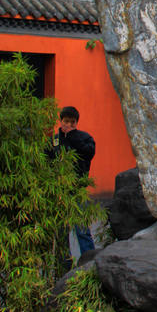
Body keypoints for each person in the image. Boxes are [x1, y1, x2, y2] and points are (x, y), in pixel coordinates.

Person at [54, 106, 96, 255]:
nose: (69, 125)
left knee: (82, 228)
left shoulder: (84, 138)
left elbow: (89, 152)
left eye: (72, 122)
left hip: (77, 188)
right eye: (66, 122)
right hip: (59, 190)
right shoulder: (55, 141)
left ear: (77, 123)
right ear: (61, 121)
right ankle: (63, 265)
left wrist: (72, 137)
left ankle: (88, 261)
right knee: (60, 231)